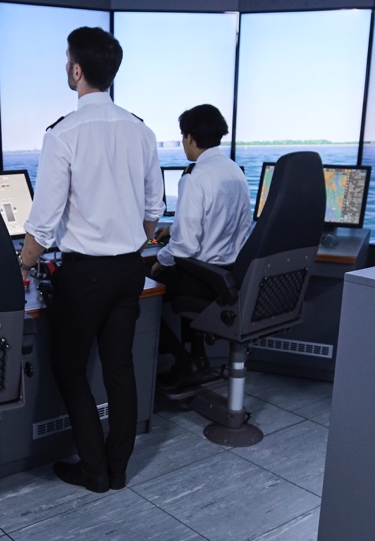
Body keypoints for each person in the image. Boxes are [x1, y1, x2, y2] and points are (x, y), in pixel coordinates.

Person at [19, 26, 163, 493]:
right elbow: (153, 209)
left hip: (84, 275)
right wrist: (129, 246)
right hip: (129, 271)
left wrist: (21, 265)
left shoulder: (63, 133)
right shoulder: (142, 130)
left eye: (67, 61)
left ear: (77, 70)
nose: (67, 68)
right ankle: (118, 469)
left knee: (69, 369)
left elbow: (44, 222)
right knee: (120, 368)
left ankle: (94, 469)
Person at [148, 104, 253, 390]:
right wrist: (172, 229)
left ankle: (185, 361)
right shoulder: (235, 171)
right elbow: (228, 223)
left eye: (183, 137)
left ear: (190, 138)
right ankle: (197, 358)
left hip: (201, 277)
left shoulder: (194, 177)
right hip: (230, 272)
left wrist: (159, 257)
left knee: (136, 292)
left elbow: (184, 248)